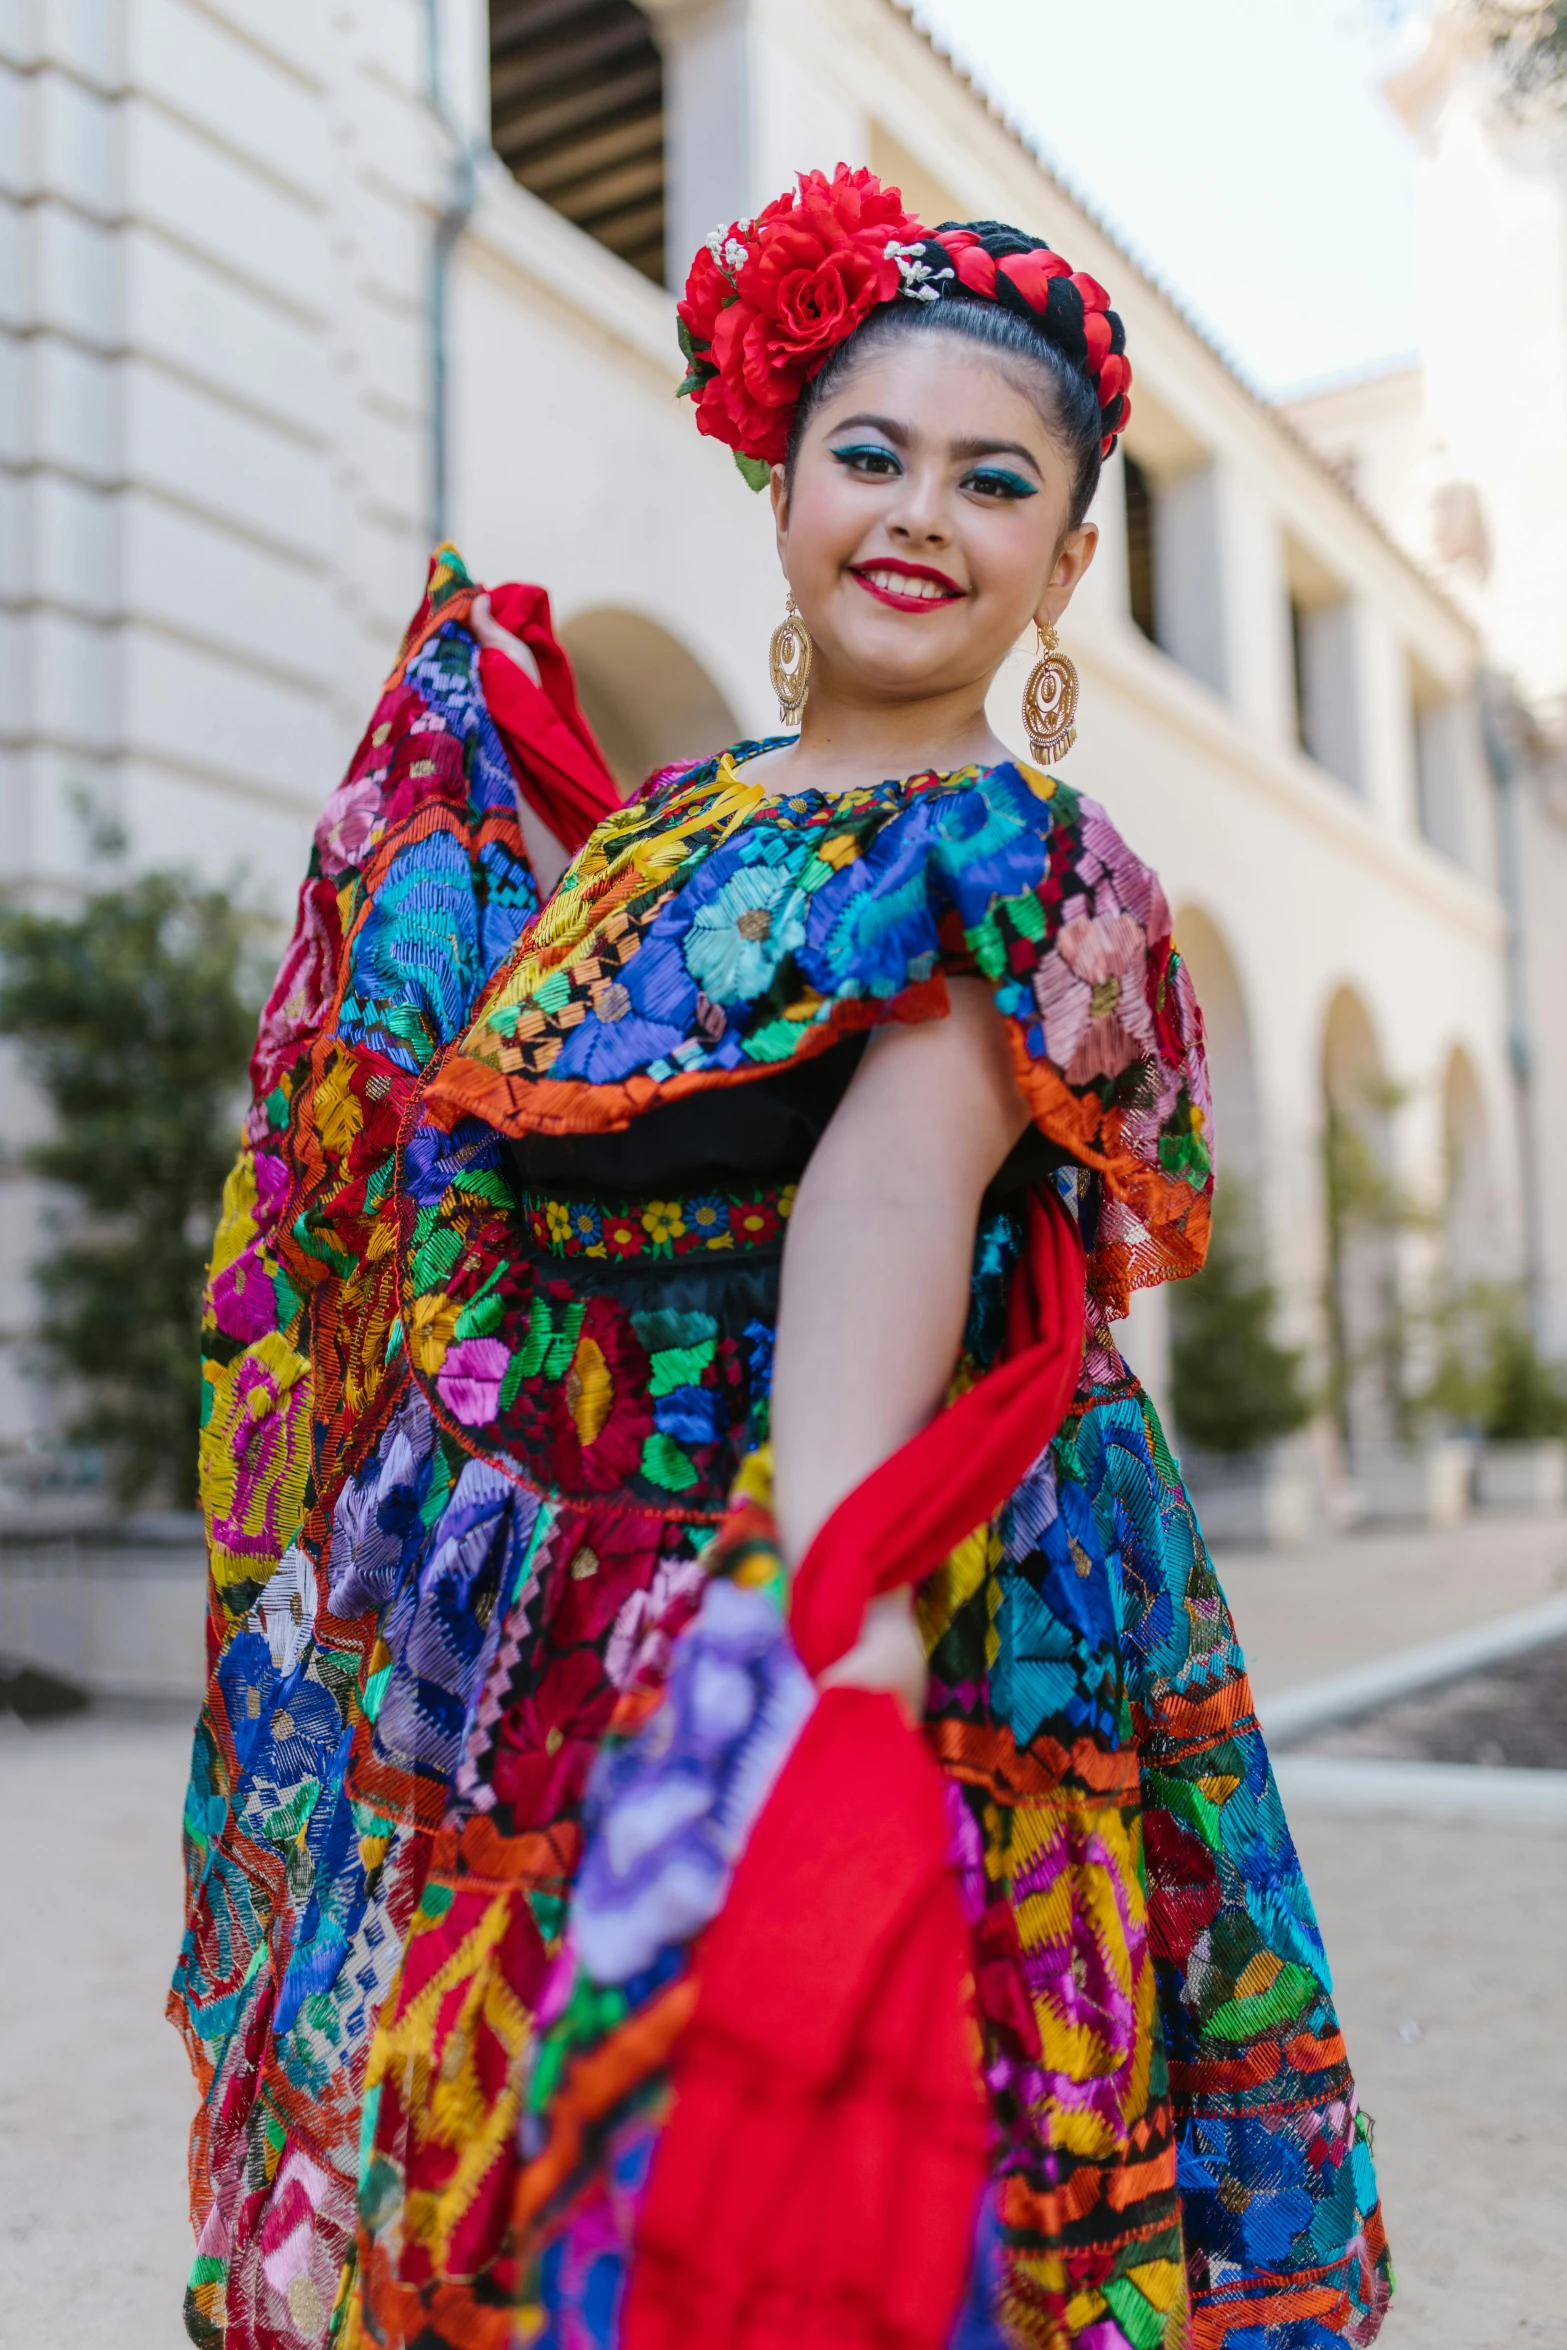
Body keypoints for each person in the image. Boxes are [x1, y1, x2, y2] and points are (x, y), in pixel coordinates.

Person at [172, 167, 1392, 2350]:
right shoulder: (668, 820)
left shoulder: (1017, 858)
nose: (922, 510)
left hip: (829, 1556)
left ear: (1070, 561)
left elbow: (895, 1193)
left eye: (993, 478)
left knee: (787, 2157)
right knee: (518, 2146)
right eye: (872, 451)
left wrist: (837, 1621)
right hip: (538, 1573)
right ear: (781, 486)